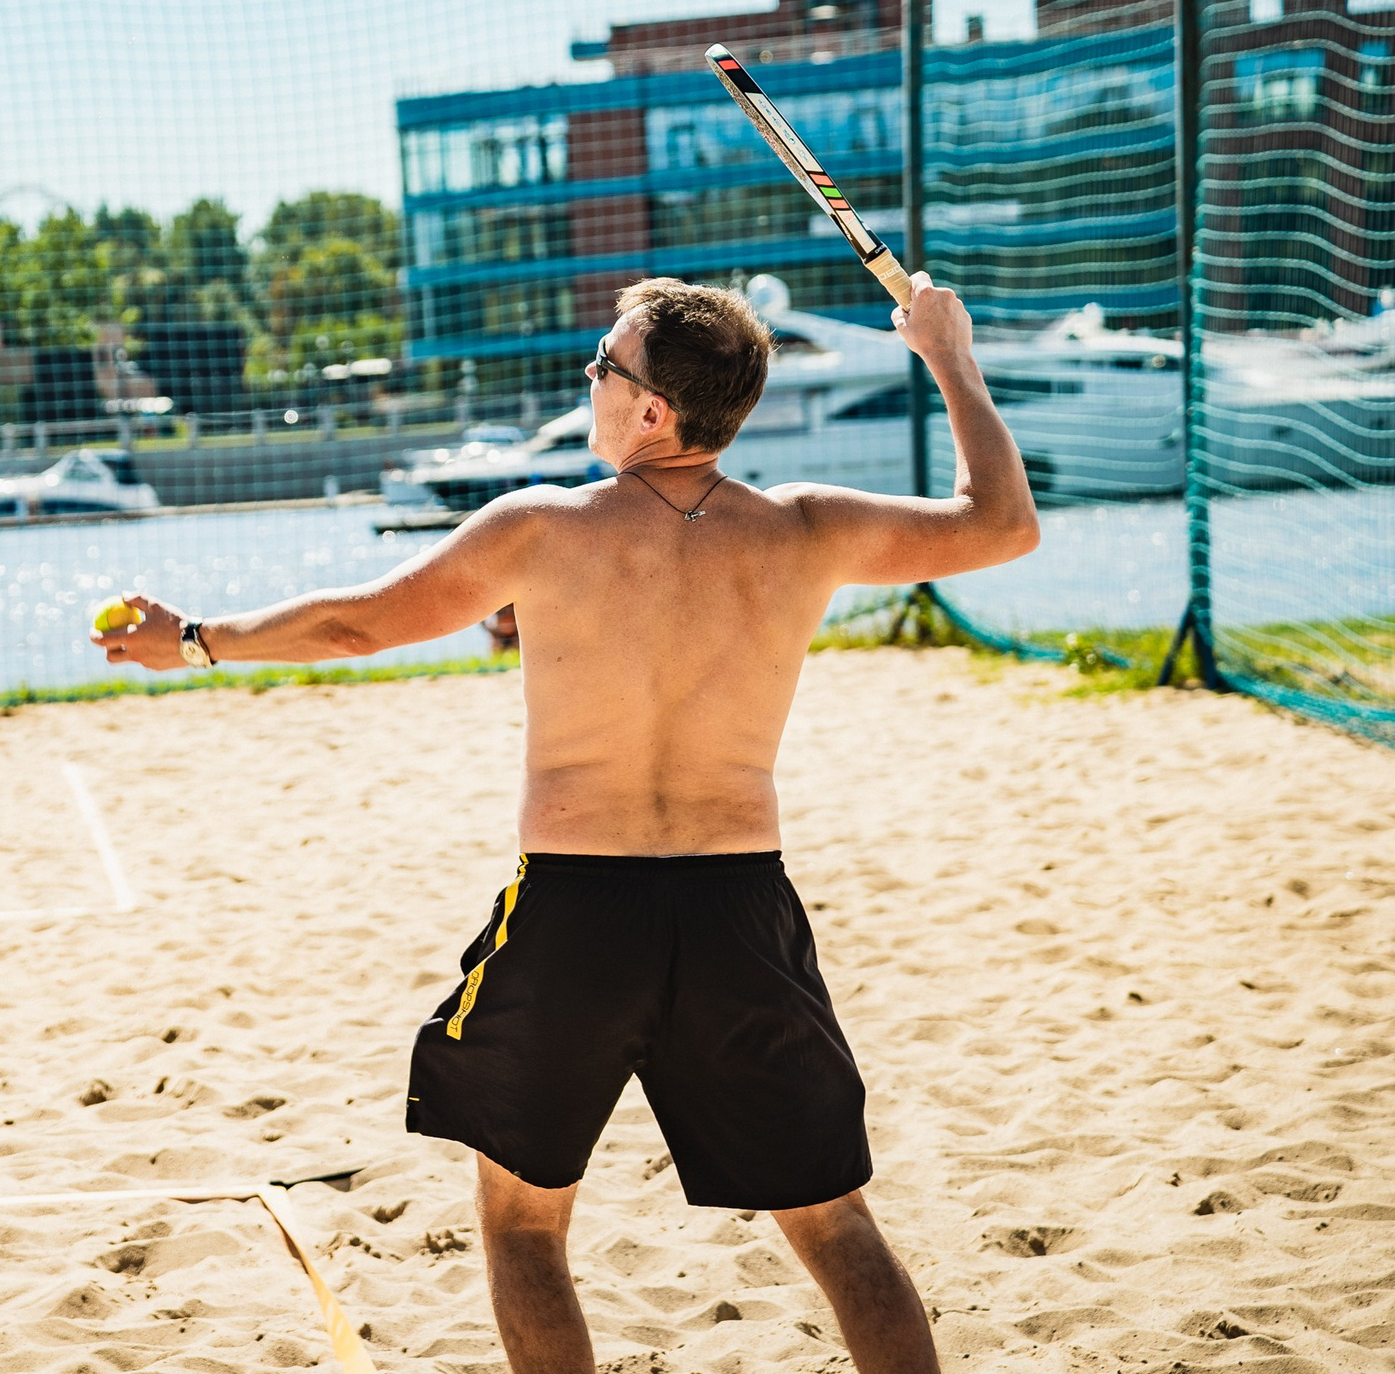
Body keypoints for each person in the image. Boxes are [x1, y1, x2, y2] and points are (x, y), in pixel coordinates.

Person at [95, 275, 1037, 1374]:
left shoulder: (540, 528)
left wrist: (197, 639)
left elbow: (356, 625)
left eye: (606, 364)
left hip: (577, 910)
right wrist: (949, 356)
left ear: (653, 414)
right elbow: (1003, 523)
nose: (588, 376)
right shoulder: (805, 529)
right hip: (737, 910)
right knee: (833, 1224)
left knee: (524, 1227)